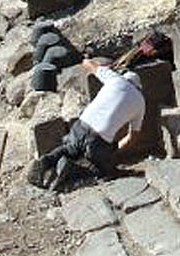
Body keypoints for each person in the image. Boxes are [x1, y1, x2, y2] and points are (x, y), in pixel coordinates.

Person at [27, 58, 145, 192]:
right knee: (101, 171)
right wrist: (114, 150)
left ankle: (45, 161)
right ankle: (73, 171)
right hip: (98, 141)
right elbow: (132, 138)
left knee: (69, 148)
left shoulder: (115, 79)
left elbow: (88, 64)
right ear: (138, 87)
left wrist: (88, 59)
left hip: (80, 126)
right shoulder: (141, 103)